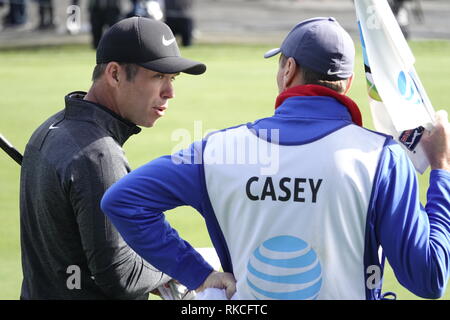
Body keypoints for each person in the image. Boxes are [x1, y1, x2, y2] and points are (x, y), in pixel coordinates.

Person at [100, 17, 450, 300]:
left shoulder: (219, 150)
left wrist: (199, 274)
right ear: (347, 82)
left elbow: (122, 201)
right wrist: (442, 171)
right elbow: (429, 279)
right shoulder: (383, 159)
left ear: (288, 70)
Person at [19, 16, 233, 300]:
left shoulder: (52, 127)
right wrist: (181, 269)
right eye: (158, 77)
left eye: (172, 79)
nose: (169, 93)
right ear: (115, 74)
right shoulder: (98, 155)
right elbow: (119, 275)